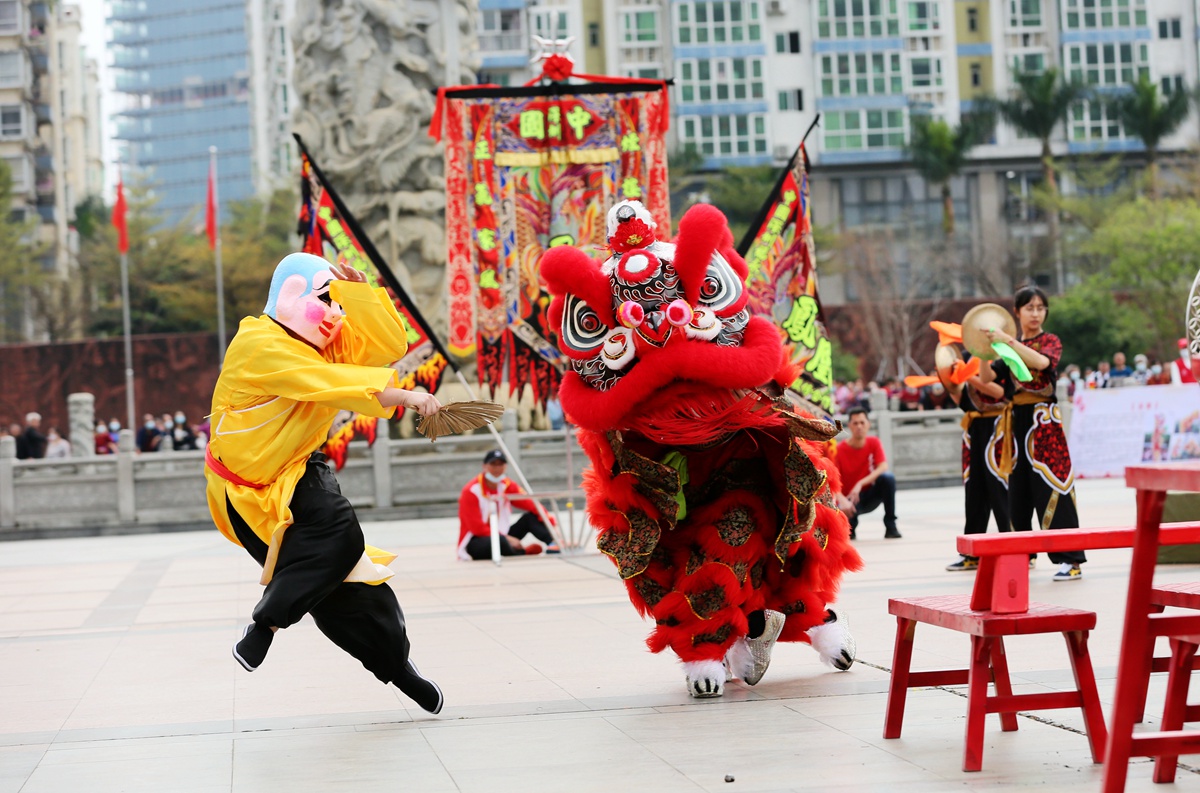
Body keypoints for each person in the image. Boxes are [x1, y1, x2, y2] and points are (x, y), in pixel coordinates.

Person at [203, 252, 445, 713]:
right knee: (336, 529)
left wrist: (357, 292)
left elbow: (388, 343)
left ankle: (397, 667)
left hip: (299, 470)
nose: (336, 314)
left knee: (356, 587)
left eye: (338, 304)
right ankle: (267, 624)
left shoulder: (323, 340)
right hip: (245, 494)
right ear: (292, 296)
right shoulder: (257, 344)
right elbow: (331, 382)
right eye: (327, 300)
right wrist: (406, 395)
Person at [980, 285, 1086, 581]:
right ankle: (1020, 553)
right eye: (1030, 308)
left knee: (1055, 484)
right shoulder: (1007, 347)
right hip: (1016, 424)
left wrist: (1007, 340)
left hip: (1045, 423)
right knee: (1018, 492)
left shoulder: (1049, 341)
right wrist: (981, 350)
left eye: (1040, 308)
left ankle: (1070, 559)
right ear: (1017, 312)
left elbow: (1041, 363)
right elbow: (989, 378)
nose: (1036, 313)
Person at [945, 368, 1013, 572]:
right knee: (974, 492)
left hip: (1000, 428)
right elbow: (961, 400)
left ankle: (1017, 549)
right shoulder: (968, 359)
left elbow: (999, 393)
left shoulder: (1003, 361)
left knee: (1001, 490)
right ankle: (972, 553)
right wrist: (949, 378)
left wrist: (966, 374)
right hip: (975, 429)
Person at [457, 450, 559, 559]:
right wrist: (507, 538)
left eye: (500, 464)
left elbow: (530, 503)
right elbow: (476, 528)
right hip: (477, 539)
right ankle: (523, 552)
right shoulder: (471, 491)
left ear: (505, 466)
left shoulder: (506, 485)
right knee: (499, 541)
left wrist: (552, 525)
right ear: (484, 466)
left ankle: (554, 543)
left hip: (503, 533)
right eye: (493, 464)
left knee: (529, 518)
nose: (497, 468)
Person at [835, 407, 900, 540]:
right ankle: (851, 525)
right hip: (849, 501)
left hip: (869, 495)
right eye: (855, 423)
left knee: (888, 478)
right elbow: (832, 480)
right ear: (849, 426)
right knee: (849, 533)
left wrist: (860, 483)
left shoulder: (874, 442)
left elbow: (883, 466)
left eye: (862, 422)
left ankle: (891, 525)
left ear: (868, 424)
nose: (859, 426)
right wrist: (841, 500)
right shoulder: (839, 449)